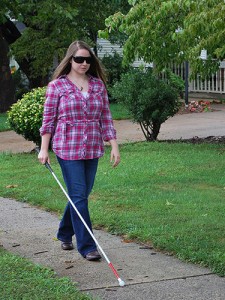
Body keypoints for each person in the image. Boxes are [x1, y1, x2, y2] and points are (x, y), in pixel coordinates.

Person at [38, 40, 120, 261]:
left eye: (88, 59)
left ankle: (64, 232)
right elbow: (48, 121)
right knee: (79, 197)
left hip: (92, 148)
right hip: (67, 149)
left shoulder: (98, 86)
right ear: (70, 60)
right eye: (79, 59)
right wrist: (44, 149)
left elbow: (106, 117)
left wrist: (114, 145)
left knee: (80, 196)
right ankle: (87, 246)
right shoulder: (57, 86)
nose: (84, 63)